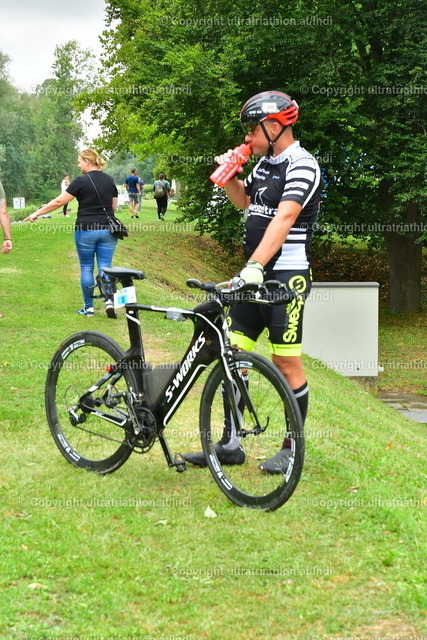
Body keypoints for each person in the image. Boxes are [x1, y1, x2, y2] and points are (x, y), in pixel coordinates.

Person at [184, 90, 322, 473]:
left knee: (285, 362)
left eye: (253, 129)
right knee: (233, 354)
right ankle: (231, 444)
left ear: (275, 127)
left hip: (285, 279)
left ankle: (292, 448)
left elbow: (285, 218)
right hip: (254, 275)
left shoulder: (303, 165)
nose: (247, 136)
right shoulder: (263, 164)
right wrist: (230, 176)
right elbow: (245, 202)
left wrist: (256, 265)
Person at [23, 149, 119, 318]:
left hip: (86, 229)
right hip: (108, 230)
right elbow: (114, 207)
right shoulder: (110, 180)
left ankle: (89, 308)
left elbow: (59, 201)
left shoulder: (81, 181)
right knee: (105, 266)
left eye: (79, 161)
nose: (78, 165)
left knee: (86, 267)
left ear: (87, 161)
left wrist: (37, 213)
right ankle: (109, 301)